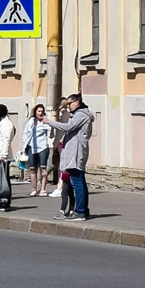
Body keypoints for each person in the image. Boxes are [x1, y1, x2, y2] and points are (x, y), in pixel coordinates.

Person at [44, 93, 95, 221]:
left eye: (69, 104)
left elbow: (68, 127)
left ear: (77, 103)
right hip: (74, 151)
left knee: (77, 182)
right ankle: (83, 210)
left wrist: (50, 122)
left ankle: (80, 211)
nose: (68, 106)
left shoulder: (81, 115)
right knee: (80, 182)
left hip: (76, 152)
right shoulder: (78, 115)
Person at [21, 104, 52, 196]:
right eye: (38, 111)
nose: (40, 113)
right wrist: (23, 147)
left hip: (43, 147)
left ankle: (43, 189)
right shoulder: (30, 122)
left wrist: (50, 126)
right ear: (35, 112)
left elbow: (51, 135)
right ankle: (34, 189)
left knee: (43, 169)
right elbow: (25, 134)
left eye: (42, 111)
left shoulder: (45, 122)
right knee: (32, 170)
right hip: (31, 147)